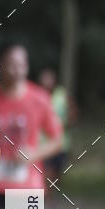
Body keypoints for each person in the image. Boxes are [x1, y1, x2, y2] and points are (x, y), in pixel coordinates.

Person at [0, 45, 64, 209]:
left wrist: (34, 153)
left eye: (22, 64)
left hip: (26, 186)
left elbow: (57, 139)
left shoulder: (40, 98)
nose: (18, 70)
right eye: (12, 64)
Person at [38, 68, 77, 200]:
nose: (46, 82)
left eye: (49, 79)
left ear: (54, 81)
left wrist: (62, 124)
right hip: (43, 144)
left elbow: (73, 114)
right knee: (46, 174)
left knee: (56, 175)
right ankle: (45, 202)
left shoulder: (62, 95)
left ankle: (51, 199)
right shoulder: (38, 95)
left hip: (61, 144)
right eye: (44, 79)